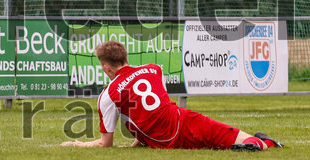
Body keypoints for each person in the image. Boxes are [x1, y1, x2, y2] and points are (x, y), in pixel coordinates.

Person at [61, 40, 283, 151]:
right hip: (182, 121)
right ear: (125, 58)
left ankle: (263, 142)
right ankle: (267, 143)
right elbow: (156, 106)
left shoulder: (108, 94)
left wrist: (79, 144)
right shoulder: (153, 69)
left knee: (230, 143)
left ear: (106, 68)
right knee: (235, 138)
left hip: (164, 141)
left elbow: (105, 143)